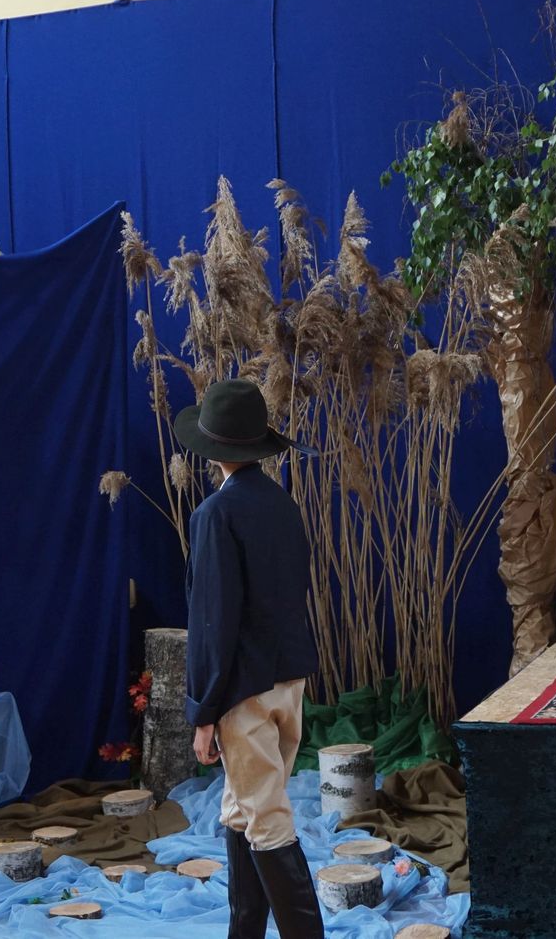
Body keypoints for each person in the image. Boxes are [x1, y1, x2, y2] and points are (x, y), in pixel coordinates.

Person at [175, 378, 322, 939]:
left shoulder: (216, 514)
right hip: (289, 681)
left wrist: (204, 712)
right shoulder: (283, 505)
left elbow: (212, 621)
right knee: (243, 808)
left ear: (212, 449)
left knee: (265, 818)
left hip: (244, 690)